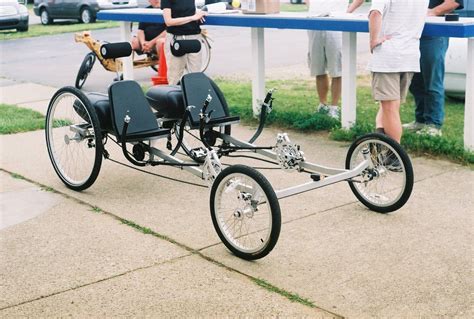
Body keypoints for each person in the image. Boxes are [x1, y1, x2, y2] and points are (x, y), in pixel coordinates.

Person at [368, 0, 429, 144]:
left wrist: (373, 40)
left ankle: (394, 154)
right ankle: (380, 144)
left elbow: (375, 13)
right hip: (410, 54)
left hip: (388, 55)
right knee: (390, 106)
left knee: (389, 109)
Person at [405, 0, 464, 137]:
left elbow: (453, 2)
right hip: (413, 31)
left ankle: (434, 124)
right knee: (415, 80)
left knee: (432, 79)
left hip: (435, 31)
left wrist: (430, 13)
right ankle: (420, 120)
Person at [307, 0, 364, 119]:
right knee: (318, 67)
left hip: (336, 22)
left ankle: (334, 107)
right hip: (315, 21)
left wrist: (347, 12)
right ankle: (322, 104)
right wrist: (311, 7)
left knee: (337, 68)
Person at [161, 0, 207, 85]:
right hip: (176, 38)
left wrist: (199, 13)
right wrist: (192, 18)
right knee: (174, 76)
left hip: (194, 36)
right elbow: (168, 21)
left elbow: (190, 10)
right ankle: (174, 96)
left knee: (196, 75)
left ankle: (194, 96)